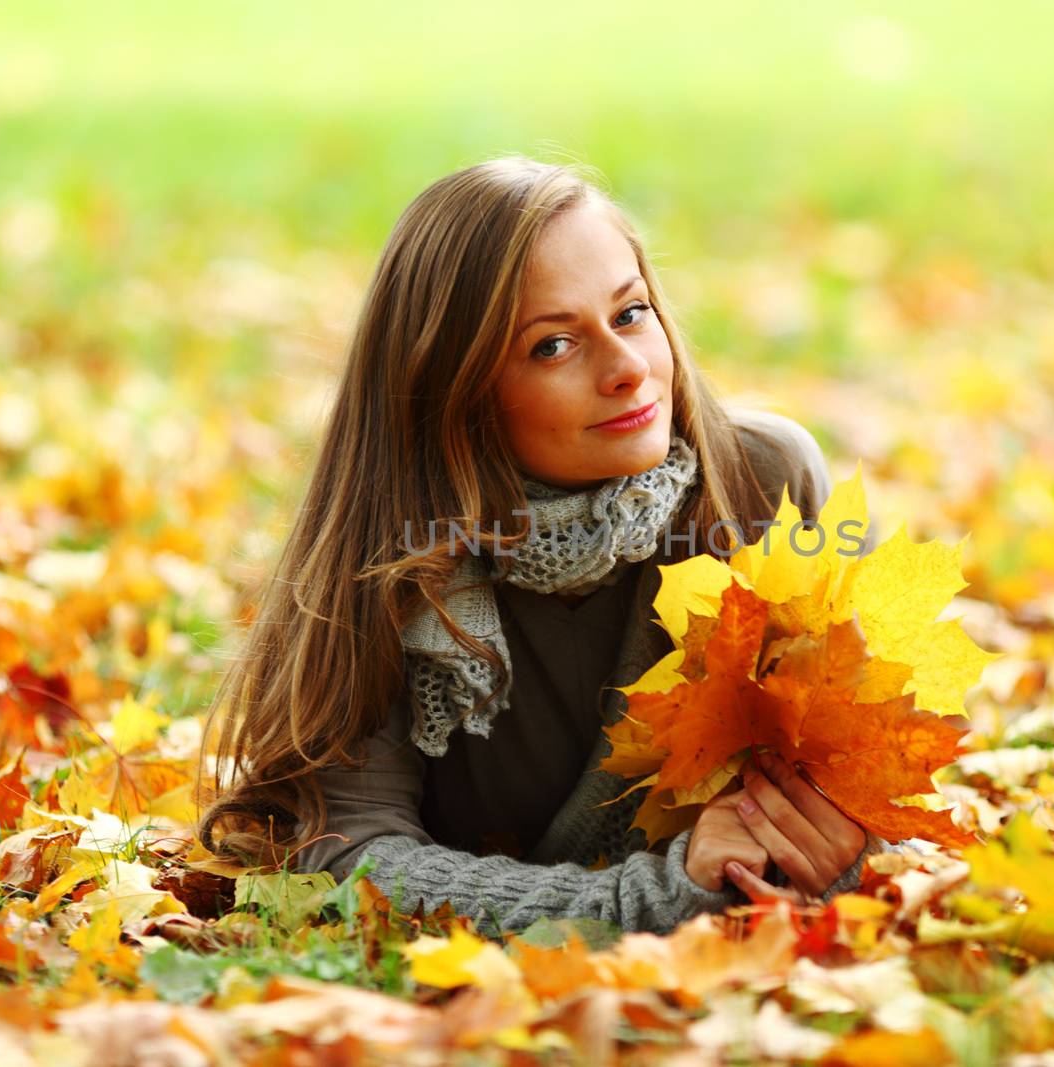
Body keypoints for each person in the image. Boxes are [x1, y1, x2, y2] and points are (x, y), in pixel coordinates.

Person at [196, 155, 883, 936]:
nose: (627, 369)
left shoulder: (759, 482)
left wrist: (818, 847)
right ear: (456, 391)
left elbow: (841, 800)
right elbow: (349, 853)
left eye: (630, 314)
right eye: (553, 346)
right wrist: (645, 899)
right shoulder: (388, 554)